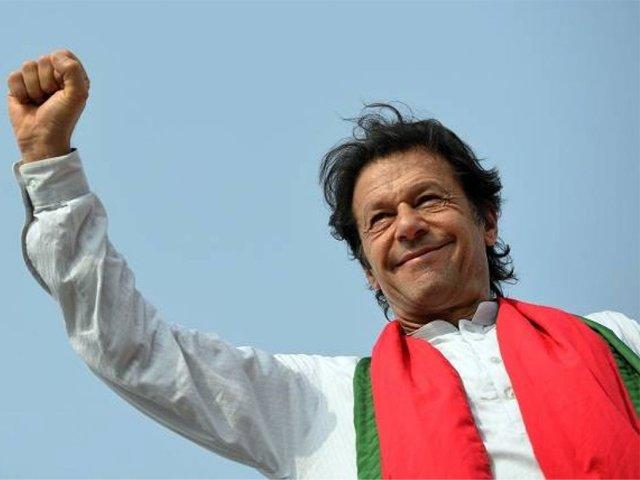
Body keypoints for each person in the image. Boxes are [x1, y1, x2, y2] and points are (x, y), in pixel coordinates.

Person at [7, 49, 640, 479]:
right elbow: (131, 349)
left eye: (429, 199)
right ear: (368, 268)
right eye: (380, 219)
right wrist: (49, 164)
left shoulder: (615, 342)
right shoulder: (319, 404)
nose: (408, 225)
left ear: (487, 220)